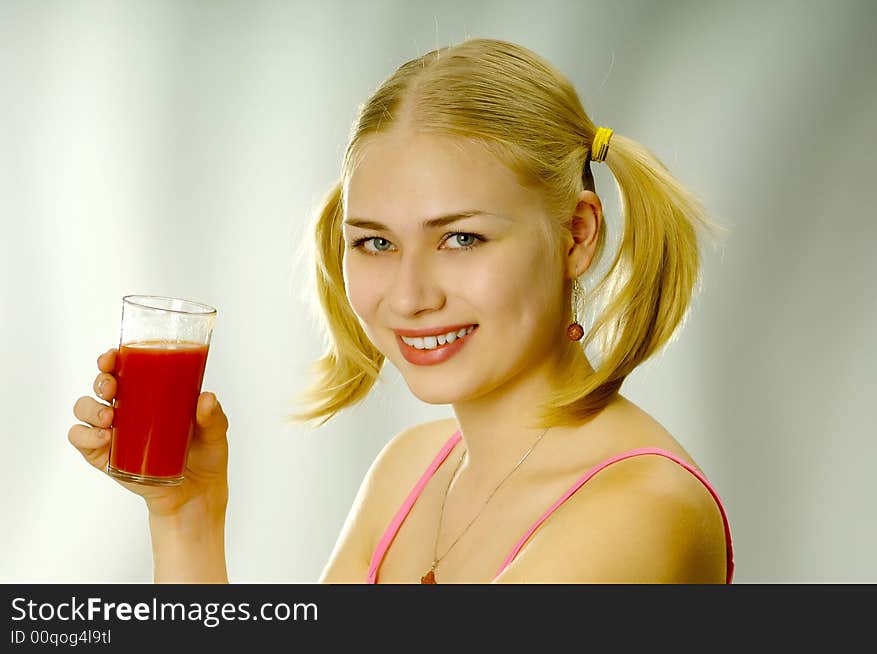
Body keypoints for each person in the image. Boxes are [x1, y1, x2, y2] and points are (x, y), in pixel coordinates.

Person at [69, 38, 734, 584]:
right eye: (376, 242)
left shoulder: (639, 509)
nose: (412, 296)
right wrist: (186, 514)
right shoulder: (413, 469)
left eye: (462, 238)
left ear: (577, 235)